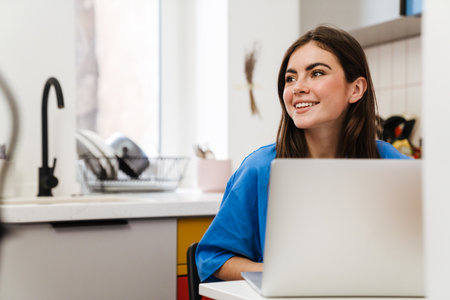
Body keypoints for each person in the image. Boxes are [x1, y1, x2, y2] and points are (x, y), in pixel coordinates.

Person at [195, 25, 410, 282]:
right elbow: (212, 259)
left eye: (316, 73)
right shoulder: (259, 169)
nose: (298, 87)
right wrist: (286, 276)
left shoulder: (394, 165)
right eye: (290, 78)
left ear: (356, 89)